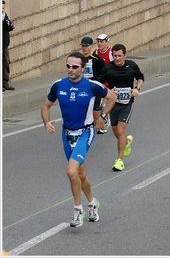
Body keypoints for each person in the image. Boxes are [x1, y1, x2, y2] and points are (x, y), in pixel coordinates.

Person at [41, 52, 117, 227]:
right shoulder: (58, 85)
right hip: (66, 134)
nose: (70, 69)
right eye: (68, 66)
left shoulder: (92, 85)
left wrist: (103, 117)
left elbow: (112, 97)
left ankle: (77, 209)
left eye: (75, 67)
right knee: (80, 174)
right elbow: (46, 105)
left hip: (85, 132)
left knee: (70, 171)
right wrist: (46, 122)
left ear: (83, 68)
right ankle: (92, 203)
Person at [98, 44, 144, 171]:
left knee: (120, 130)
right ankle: (127, 143)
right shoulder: (108, 68)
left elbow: (140, 77)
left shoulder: (132, 65)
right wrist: (109, 90)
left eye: (119, 56)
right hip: (113, 103)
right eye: (115, 56)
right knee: (116, 132)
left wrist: (137, 88)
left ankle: (119, 161)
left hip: (127, 102)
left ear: (125, 55)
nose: (117, 58)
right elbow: (99, 84)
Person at [80, 36, 106, 134]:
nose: (84, 48)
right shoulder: (80, 59)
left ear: (91, 46)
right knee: (84, 108)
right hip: (84, 88)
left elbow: (105, 72)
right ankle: (87, 126)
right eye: (83, 46)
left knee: (96, 109)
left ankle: (100, 124)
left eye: (86, 46)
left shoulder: (97, 59)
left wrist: (99, 83)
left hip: (96, 87)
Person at [94, 33, 114, 133]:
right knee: (99, 103)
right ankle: (103, 121)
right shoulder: (96, 52)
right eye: (98, 42)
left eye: (101, 42)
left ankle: (107, 117)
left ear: (107, 42)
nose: (99, 44)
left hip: (109, 82)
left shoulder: (111, 52)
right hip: (101, 82)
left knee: (111, 101)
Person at [2, 0, 15, 91]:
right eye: (1, 7)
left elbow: (9, 29)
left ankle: (5, 83)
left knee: (6, 63)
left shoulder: (4, 15)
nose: (3, 9)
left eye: (3, 7)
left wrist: (9, 25)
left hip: (5, 43)